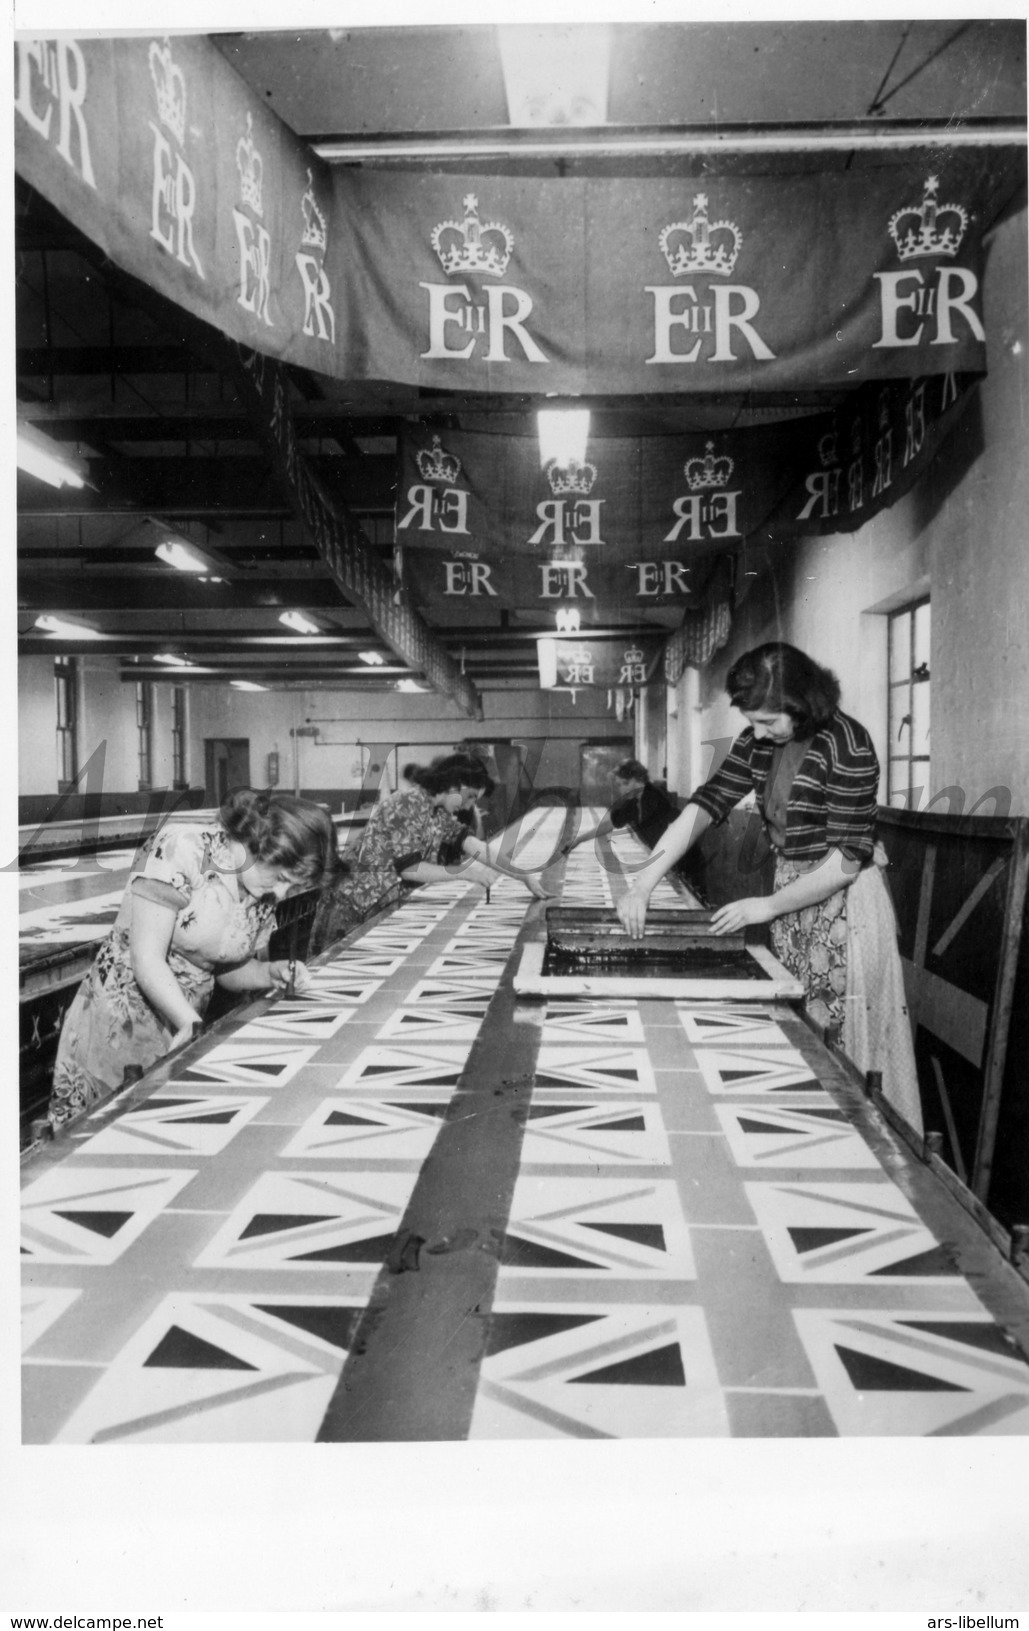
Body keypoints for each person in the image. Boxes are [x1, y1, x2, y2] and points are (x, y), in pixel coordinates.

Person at [616, 642, 923, 1133]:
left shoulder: (848, 744)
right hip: (790, 900)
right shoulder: (759, 742)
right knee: (801, 1035)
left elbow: (846, 862)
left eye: (767, 721)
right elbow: (704, 806)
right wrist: (644, 881)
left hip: (844, 909)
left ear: (800, 702)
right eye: (753, 722)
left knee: (843, 1049)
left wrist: (768, 905)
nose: (757, 732)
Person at [48, 790, 341, 1129]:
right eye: (281, 879)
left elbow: (225, 968)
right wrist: (190, 1023)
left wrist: (268, 972)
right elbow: (147, 958)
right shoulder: (183, 848)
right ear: (258, 845)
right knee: (94, 1142)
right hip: (116, 1026)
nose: (279, 893)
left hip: (184, 1028)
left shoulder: (262, 889)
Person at [315, 756, 553, 945]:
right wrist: (465, 873)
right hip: (351, 908)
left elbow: (478, 848)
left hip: (377, 905)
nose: (471, 805)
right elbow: (410, 869)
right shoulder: (408, 802)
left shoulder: (438, 813)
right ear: (453, 785)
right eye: (470, 796)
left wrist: (523, 876)